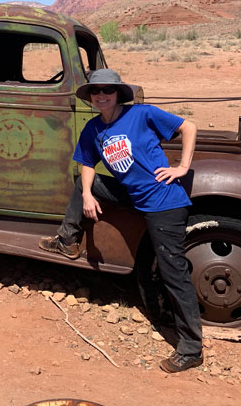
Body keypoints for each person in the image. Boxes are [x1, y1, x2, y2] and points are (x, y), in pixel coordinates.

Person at [38, 68, 203, 374]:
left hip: (163, 202)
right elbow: (87, 161)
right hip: (132, 195)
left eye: (108, 91)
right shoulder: (93, 129)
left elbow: (188, 127)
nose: (101, 96)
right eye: (96, 92)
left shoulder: (141, 114)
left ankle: (191, 348)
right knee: (84, 184)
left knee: (172, 272)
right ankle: (68, 240)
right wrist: (88, 194)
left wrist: (182, 166)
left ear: (117, 94)